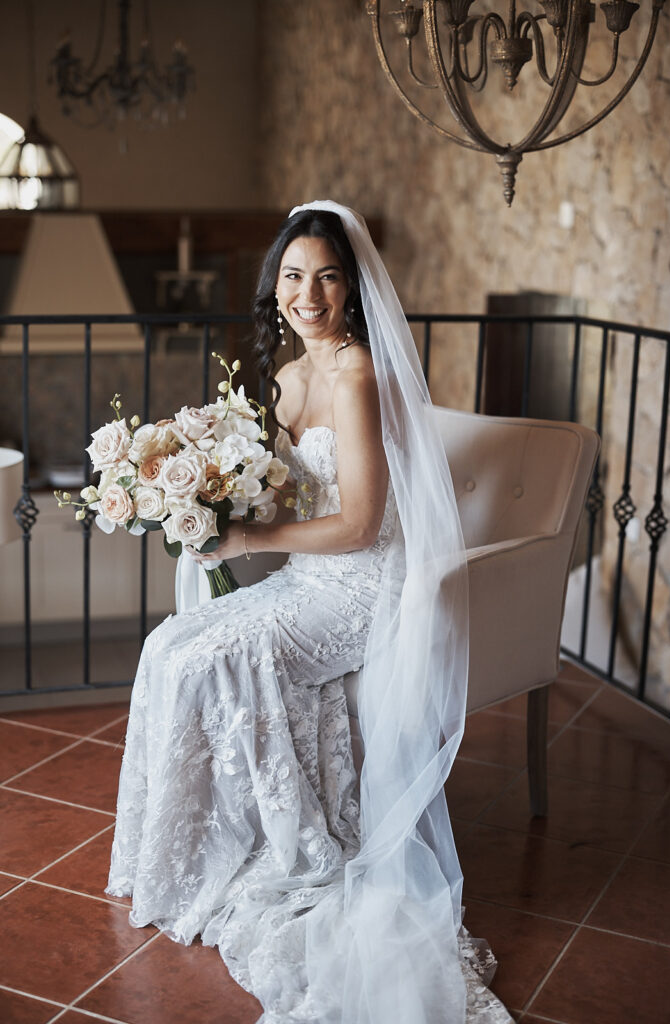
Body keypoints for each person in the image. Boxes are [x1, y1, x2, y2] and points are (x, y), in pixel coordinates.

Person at [107, 202, 513, 1024]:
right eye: (294, 276)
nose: (309, 294)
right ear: (276, 288)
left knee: (214, 658)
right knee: (168, 645)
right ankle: (181, 856)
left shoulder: (357, 372)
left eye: (328, 277)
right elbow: (286, 488)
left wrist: (249, 532)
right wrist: (200, 493)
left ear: (352, 288)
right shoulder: (289, 378)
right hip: (305, 580)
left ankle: (261, 851)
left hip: (362, 590)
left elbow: (360, 524)